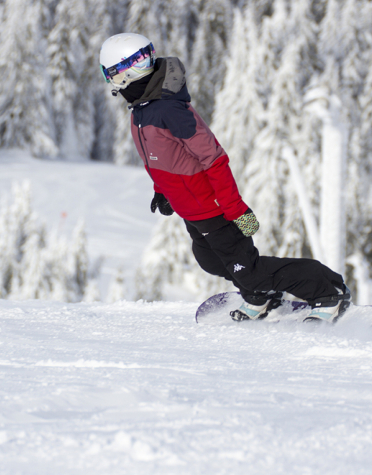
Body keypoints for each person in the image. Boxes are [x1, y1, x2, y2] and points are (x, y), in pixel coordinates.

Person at [99, 32, 351, 322]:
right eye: (141, 59)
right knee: (213, 262)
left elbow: (214, 159)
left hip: (215, 209)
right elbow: (159, 159)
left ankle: (328, 290)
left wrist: (235, 210)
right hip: (192, 212)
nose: (147, 64)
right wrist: (162, 191)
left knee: (250, 269)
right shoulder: (141, 111)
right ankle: (260, 297)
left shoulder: (169, 110)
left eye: (147, 57)